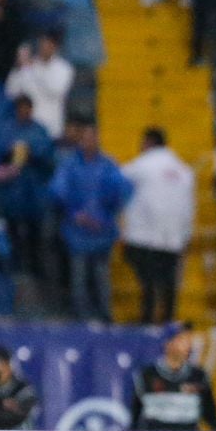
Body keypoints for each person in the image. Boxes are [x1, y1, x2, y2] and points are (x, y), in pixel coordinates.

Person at [50, 122, 132, 322]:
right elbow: (58, 190)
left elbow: (122, 190)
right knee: (79, 276)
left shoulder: (108, 164)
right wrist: (75, 213)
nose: (89, 142)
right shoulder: (70, 164)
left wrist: (106, 216)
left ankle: (105, 315)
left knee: (101, 275)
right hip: (77, 230)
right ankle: (81, 316)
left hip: (101, 230)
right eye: (85, 138)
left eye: (92, 137)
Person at [120, 127, 194, 325]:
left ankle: (147, 321)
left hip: (145, 235)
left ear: (148, 143)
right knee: (169, 282)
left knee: (149, 282)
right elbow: (189, 207)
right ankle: (168, 320)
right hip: (174, 236)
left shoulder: (143, 165)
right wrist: (186, 234)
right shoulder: (184, 170)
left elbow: (118, 181)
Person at [128, 321, 216, 431]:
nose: (188, 344)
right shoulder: (146, 375)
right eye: (182, 339)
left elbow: (211, 415)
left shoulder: (199, 376)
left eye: (188, 339)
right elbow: (135, 418)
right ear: (167, 343)